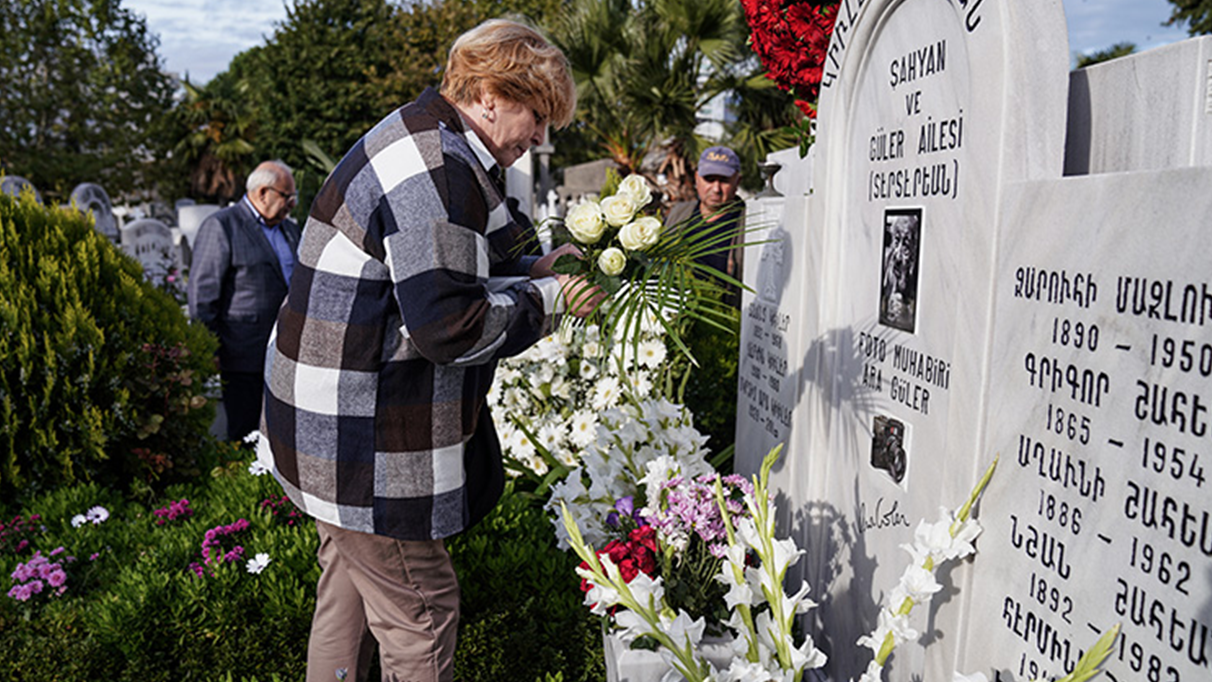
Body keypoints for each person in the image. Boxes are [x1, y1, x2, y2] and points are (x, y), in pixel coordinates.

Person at [260, 19, 601, 682]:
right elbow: (448, 326)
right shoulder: (438, 167)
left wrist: (536, 268)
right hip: (363, 444)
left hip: (324, 431)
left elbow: (452, 266)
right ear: (490, 94)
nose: (539, 138)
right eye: (537, 116)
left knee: (349, 595)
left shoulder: (429, 137)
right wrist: (553, 300)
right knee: (422, 611)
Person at [188, 160, 300, 442]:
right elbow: (203, 294)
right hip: (242, 353)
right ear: (263, 193)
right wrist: (208, 347)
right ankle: (245, 486)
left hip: (287, 349)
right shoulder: (222, 226)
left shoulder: (289, 230)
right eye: (287, 196)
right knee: (246, 433)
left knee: (284, 436)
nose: (292, 204)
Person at [665, 145, 747, 307]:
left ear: (737, 181)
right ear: (696, 179)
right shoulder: (678, 215)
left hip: (725, 321)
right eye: (709, 179)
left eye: (724, 181)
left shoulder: (748, 223)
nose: (716, 189)